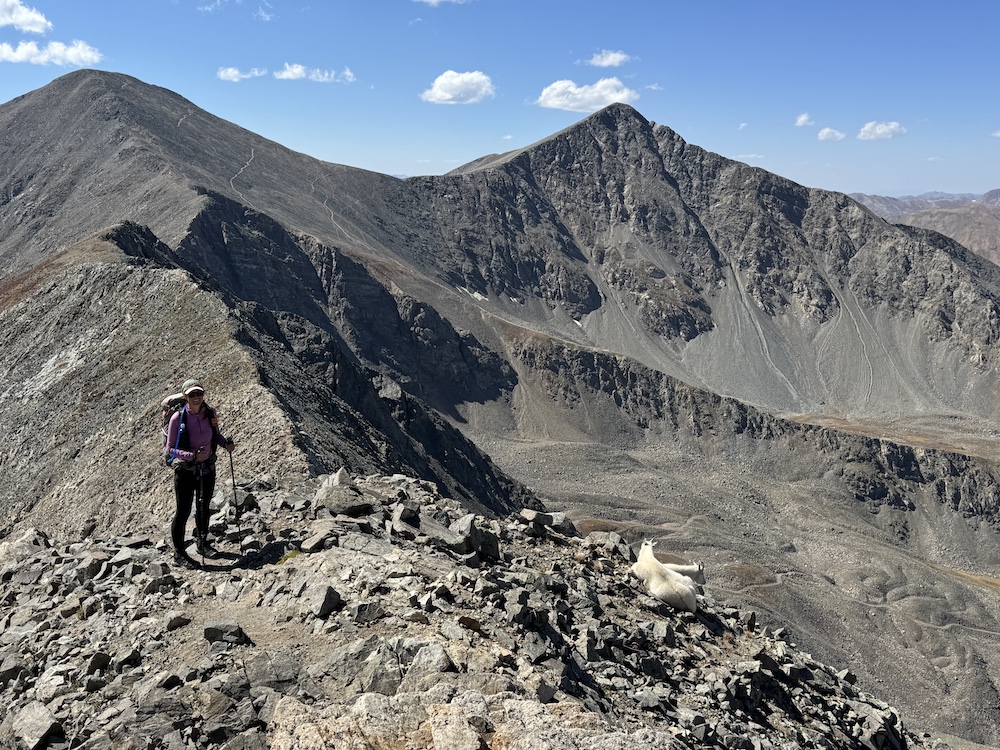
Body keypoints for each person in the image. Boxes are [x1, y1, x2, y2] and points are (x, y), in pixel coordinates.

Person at [164, 379, 235, 567]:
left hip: (207, 469)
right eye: (192, 394)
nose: (196, 397)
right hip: (185, 471)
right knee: (183, 511)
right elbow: (170, 448)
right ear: (185, 397)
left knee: (203, 507)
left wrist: (225, 444)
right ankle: (179, 553)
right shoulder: (177, 418)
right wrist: (191, 455)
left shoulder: (210, 413)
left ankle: (202, 543)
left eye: (199, 393)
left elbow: (216, 434)